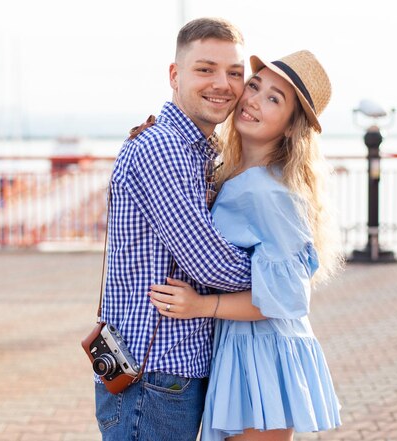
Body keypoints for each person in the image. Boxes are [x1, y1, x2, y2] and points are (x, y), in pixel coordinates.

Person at [149, 50, 343, 440]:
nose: (253, 99)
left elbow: (287, 297)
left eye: (274, 98)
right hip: (244, 347)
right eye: (254, 86)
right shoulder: (237, 173)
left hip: (263, 355)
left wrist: (202, 305)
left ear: (291, 127)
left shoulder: (267, 192)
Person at [95, 18, 253, 441]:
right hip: (154, 374)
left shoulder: (198, 150)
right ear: (174, 75)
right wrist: (280, 277)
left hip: (166, 371)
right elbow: (210, 263)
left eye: (235, 73)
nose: (223, 83)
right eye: (206, 69)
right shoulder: (163, 146)